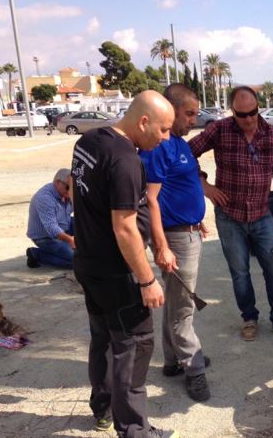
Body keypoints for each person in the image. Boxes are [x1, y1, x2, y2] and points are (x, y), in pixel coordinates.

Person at [71, 90, 179, 438]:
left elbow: (79, 193)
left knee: (102, 339)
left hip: (89, 264)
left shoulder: (90, 140)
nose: (165, 139)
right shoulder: (126, 160)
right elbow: (124, 226)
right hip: (118, 275)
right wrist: (147, 279)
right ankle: (134, 430)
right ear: (143, 121)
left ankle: (102, 408)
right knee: (133, 348)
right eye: (163, 130)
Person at [189, 85, 273, 342]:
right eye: (242, 114)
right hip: (229, 217)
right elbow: (183, 154)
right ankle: (249, 318)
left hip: (262, 216)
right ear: (232, 111)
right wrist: (204, 185)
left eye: (253, 113)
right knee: (240, 272)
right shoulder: (219, 130)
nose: (249, 119)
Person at [139, 84, 211, 402]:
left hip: (190, 230)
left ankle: (173, 361)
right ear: (171, 108)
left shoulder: (179, 143)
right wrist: (162, 246)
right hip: (177, 238)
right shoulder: (158, 147)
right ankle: (194, 370)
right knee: (183, 309)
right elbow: (150, 200)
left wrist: (198, 216)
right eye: (190, 113)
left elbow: (182, 187)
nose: (195, 119)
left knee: (175, 302)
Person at [26, 168, 74, 269]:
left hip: (64, 224)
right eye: (68, 187)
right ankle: (36, 254)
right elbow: (51, 228)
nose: (70, 191)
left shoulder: (67, 193)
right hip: (45, 237)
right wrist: (70, 240)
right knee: (76, 262)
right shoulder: (45, 198)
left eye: (73, 188)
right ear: (57, 183)